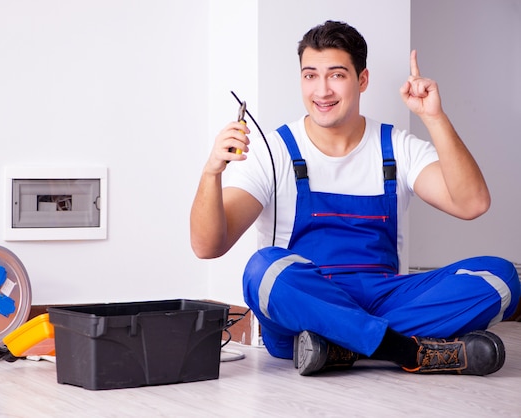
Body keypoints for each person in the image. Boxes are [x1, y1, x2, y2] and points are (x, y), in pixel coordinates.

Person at [190, 20, 520, 376]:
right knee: (263, 270)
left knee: (501, 277)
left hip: (380, 296)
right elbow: (209, 246)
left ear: (362, 80)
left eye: (336, 75)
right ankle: (403, 348)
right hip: (307, 300)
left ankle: (340, 347)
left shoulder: (396, 147)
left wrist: (434, 118)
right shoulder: (275, 150)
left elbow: (472, 203)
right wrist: (211, 173)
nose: (322, 90)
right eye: (310, 76)